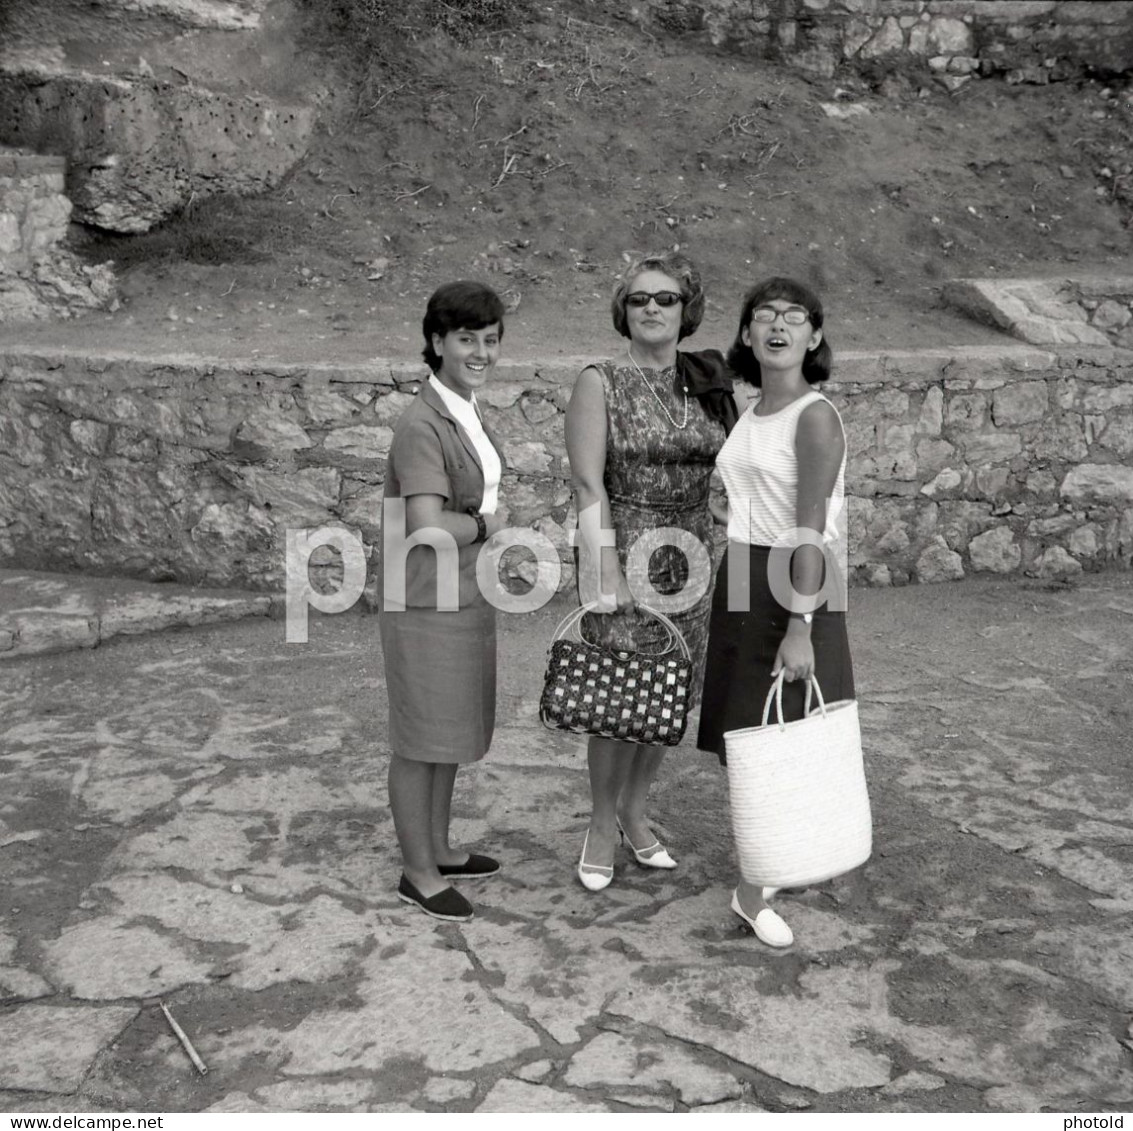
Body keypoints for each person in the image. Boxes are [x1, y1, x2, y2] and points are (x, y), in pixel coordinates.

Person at [564, 251, 738, 891]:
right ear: (624, 311)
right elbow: (587, 484)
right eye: (640, 299)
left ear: (685, 309)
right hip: (627, 549)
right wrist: (605, 568)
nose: (653, 309)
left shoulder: (709, 379)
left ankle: (637, 814)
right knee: (617, 697)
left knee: (668, 694)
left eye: (666, 298)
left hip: (694, 555)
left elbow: (734, 461)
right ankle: (601, 824)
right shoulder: (599, 380)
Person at [697, 276, 855, 947]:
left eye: (794, 317)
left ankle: (754, 887)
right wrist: (721, 503)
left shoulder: (813, 415)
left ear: (814, 336)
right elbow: (747, 487)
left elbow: (810, 527)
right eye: (763, 316)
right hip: (741, 573)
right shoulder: (754, 410)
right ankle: (770, 863)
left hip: (792, 582)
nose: (778, 327)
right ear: (745, 335)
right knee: (749, 731)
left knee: (785, 729)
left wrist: (800, 624)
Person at [378, 280, 510, 922]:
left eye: (489, 340)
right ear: (437, 342)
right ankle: (417, 872)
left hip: (463, 594)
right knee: (420, 738)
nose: (480, 351)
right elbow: (428, 525)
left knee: (448, 732)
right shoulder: (421, 423)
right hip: (426, 599)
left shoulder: (463, 407)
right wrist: (487, 527)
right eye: (466, 339)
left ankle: (440, 849)